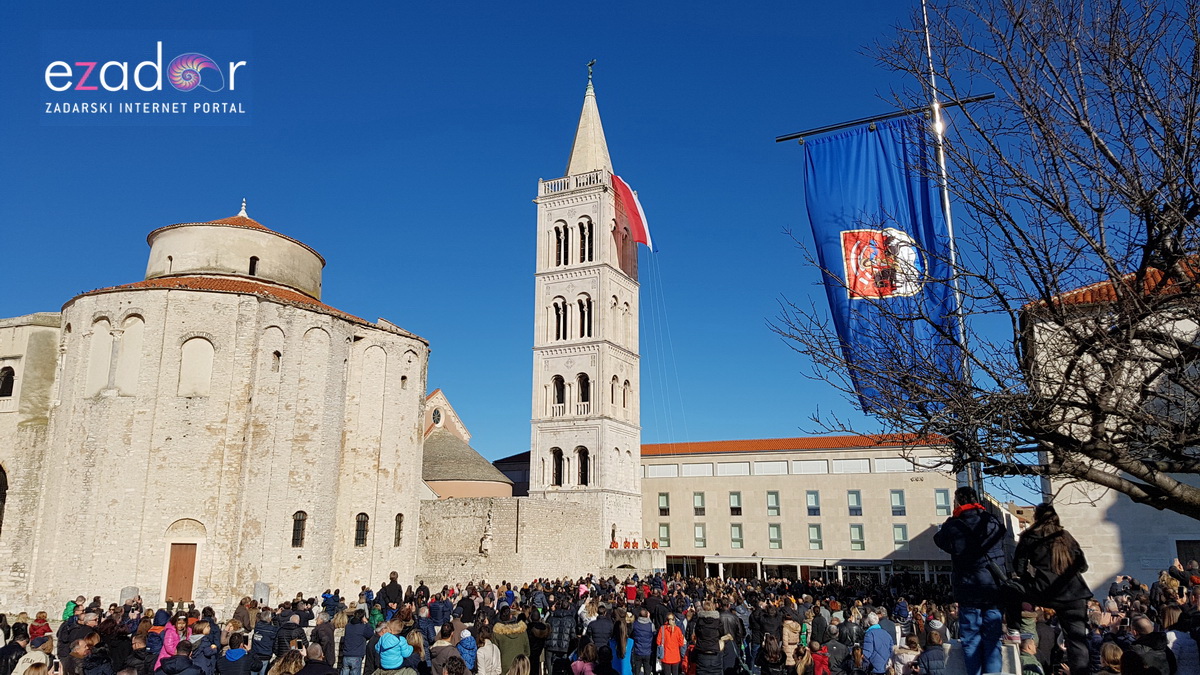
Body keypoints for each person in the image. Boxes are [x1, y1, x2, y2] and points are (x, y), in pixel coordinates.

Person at [933, 486, 1008, 675]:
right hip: (993, 588)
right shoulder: (991, 521)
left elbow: (939, 540)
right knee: (992, 640)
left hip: (969, 588)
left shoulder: (954, 526)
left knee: (972, 639)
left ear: (957, 502)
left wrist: (952, 519)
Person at [1012, 503, 1092, 675]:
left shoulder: (1030, 537)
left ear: (1036, 517)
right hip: (1074, 592)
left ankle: (1014, 630)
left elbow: (1018, 568)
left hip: (1045, 591)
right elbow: (1083, 566)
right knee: (1077, 641)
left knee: (1012, 592)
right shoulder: (1066, 536)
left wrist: (1030, 581)